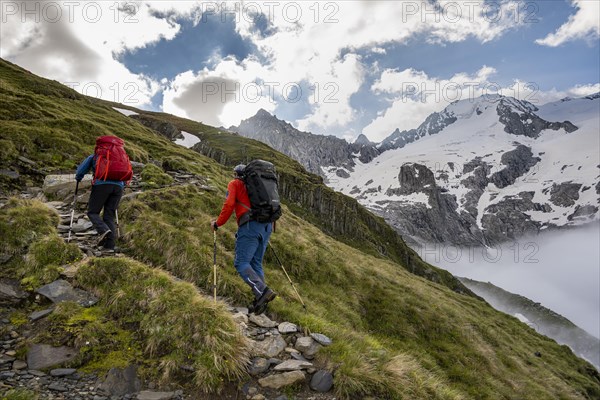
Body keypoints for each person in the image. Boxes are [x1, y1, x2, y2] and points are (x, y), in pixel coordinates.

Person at [211, 164, 276, 314]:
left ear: (236, 174)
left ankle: (262, 291)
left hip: (249, 226)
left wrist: (217, 223)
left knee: (241, 263)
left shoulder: (235, 184)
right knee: (256, 263)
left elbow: (229, 205)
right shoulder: (259, 185)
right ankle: (261, 300)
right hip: (266, 226)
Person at [75, 137, 129, 252]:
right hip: (118, 187)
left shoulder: (96, 156)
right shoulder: (121, 157)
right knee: (109, 216)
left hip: (101, 185)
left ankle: (103, 230)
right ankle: (109, 246)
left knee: (92, 212)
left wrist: (78, 178)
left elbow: (80, 171)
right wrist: (122, 184)